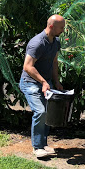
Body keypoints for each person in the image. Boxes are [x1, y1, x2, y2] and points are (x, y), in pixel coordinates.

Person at [19, 14, 65, 159]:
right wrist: (44, 82)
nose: (63, 30)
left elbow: (54, 62)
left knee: (48, 112)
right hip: (30, 83)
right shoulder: (37, 43)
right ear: (51, 26)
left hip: (46, 83)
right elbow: (27, 67)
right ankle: (37, 147)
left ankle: (43, 144)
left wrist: (56, 82)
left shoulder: (55, 41)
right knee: (40, 112)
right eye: (61, 27)